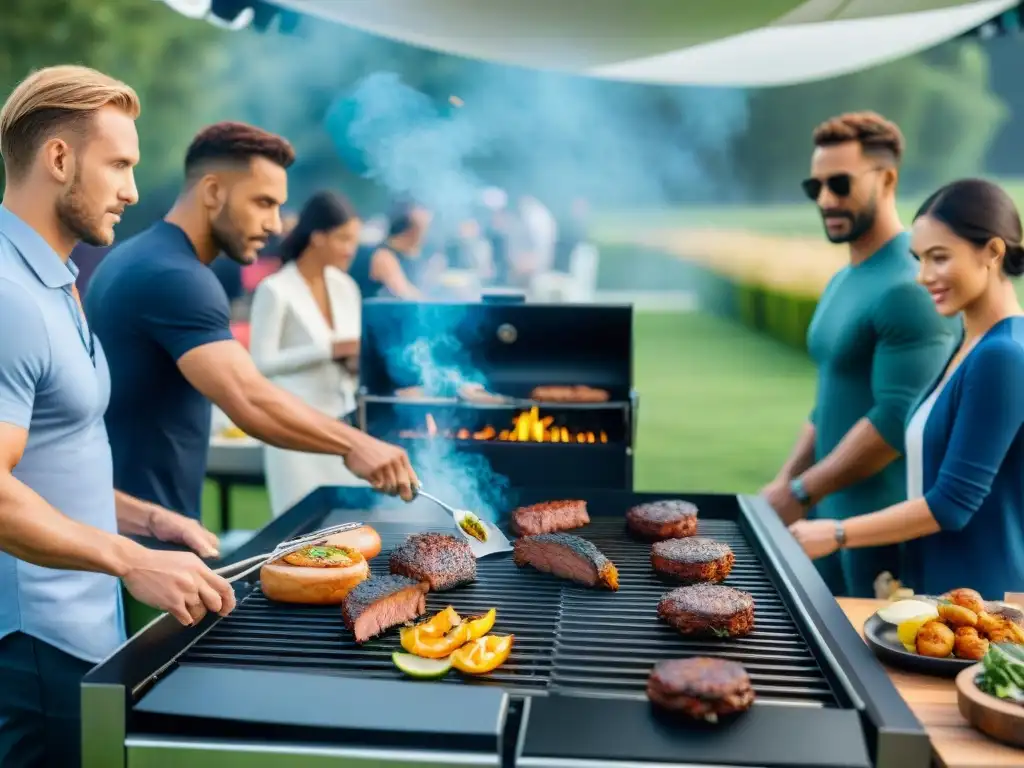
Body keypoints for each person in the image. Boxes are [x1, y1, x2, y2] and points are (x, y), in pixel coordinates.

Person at [0, 65, 235, 768]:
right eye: (120, 165)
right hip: (35, 650)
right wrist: (132, 560)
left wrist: (145, 520)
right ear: (60, 158)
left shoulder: (58, 280)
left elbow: (50, 464)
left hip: (83, 636)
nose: (133, 190)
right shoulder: (8, 295)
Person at [85, 122, 418, 526]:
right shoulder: (176, 276)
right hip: (144, 533)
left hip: (123, 515)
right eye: (263, 202)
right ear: (212, 192)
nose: (276, 224)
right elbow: (248, 396)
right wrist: (355, 444)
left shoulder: (136, 257)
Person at [791, 179, 1024, 599]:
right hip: (938, 596)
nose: (923, 276)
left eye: (939, 258)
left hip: (981, 611)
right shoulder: (967, 344)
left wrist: (838, 532)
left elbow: (951, 504)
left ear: (992, 251)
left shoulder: (1002, 356)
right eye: (919, 260)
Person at [759, 112, 959, 598]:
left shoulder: (911, 285)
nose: (826, 199)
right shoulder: (845, 278)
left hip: (880, 534)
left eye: (841, 184)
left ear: (887, 179)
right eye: (816, 187)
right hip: (825, 522)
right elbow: (828, 396)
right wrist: (786, 483)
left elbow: (894, 421)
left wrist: (803, 491)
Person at [249, 191, 367, 516]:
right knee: (301, 534)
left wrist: (358, 360)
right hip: (294, 430)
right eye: (344, 238)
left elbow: (351, 357)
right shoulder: (275, 289)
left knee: (348, 526)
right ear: (317, 237)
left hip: (343, 425)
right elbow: (258, 364)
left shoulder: (347, 286)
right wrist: (328, 349)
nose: (351, 249)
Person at [349, 201, 432, 299]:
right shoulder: (384, 257)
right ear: (413, 232)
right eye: (424, 230)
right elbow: (407, 296)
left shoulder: (399, 256)